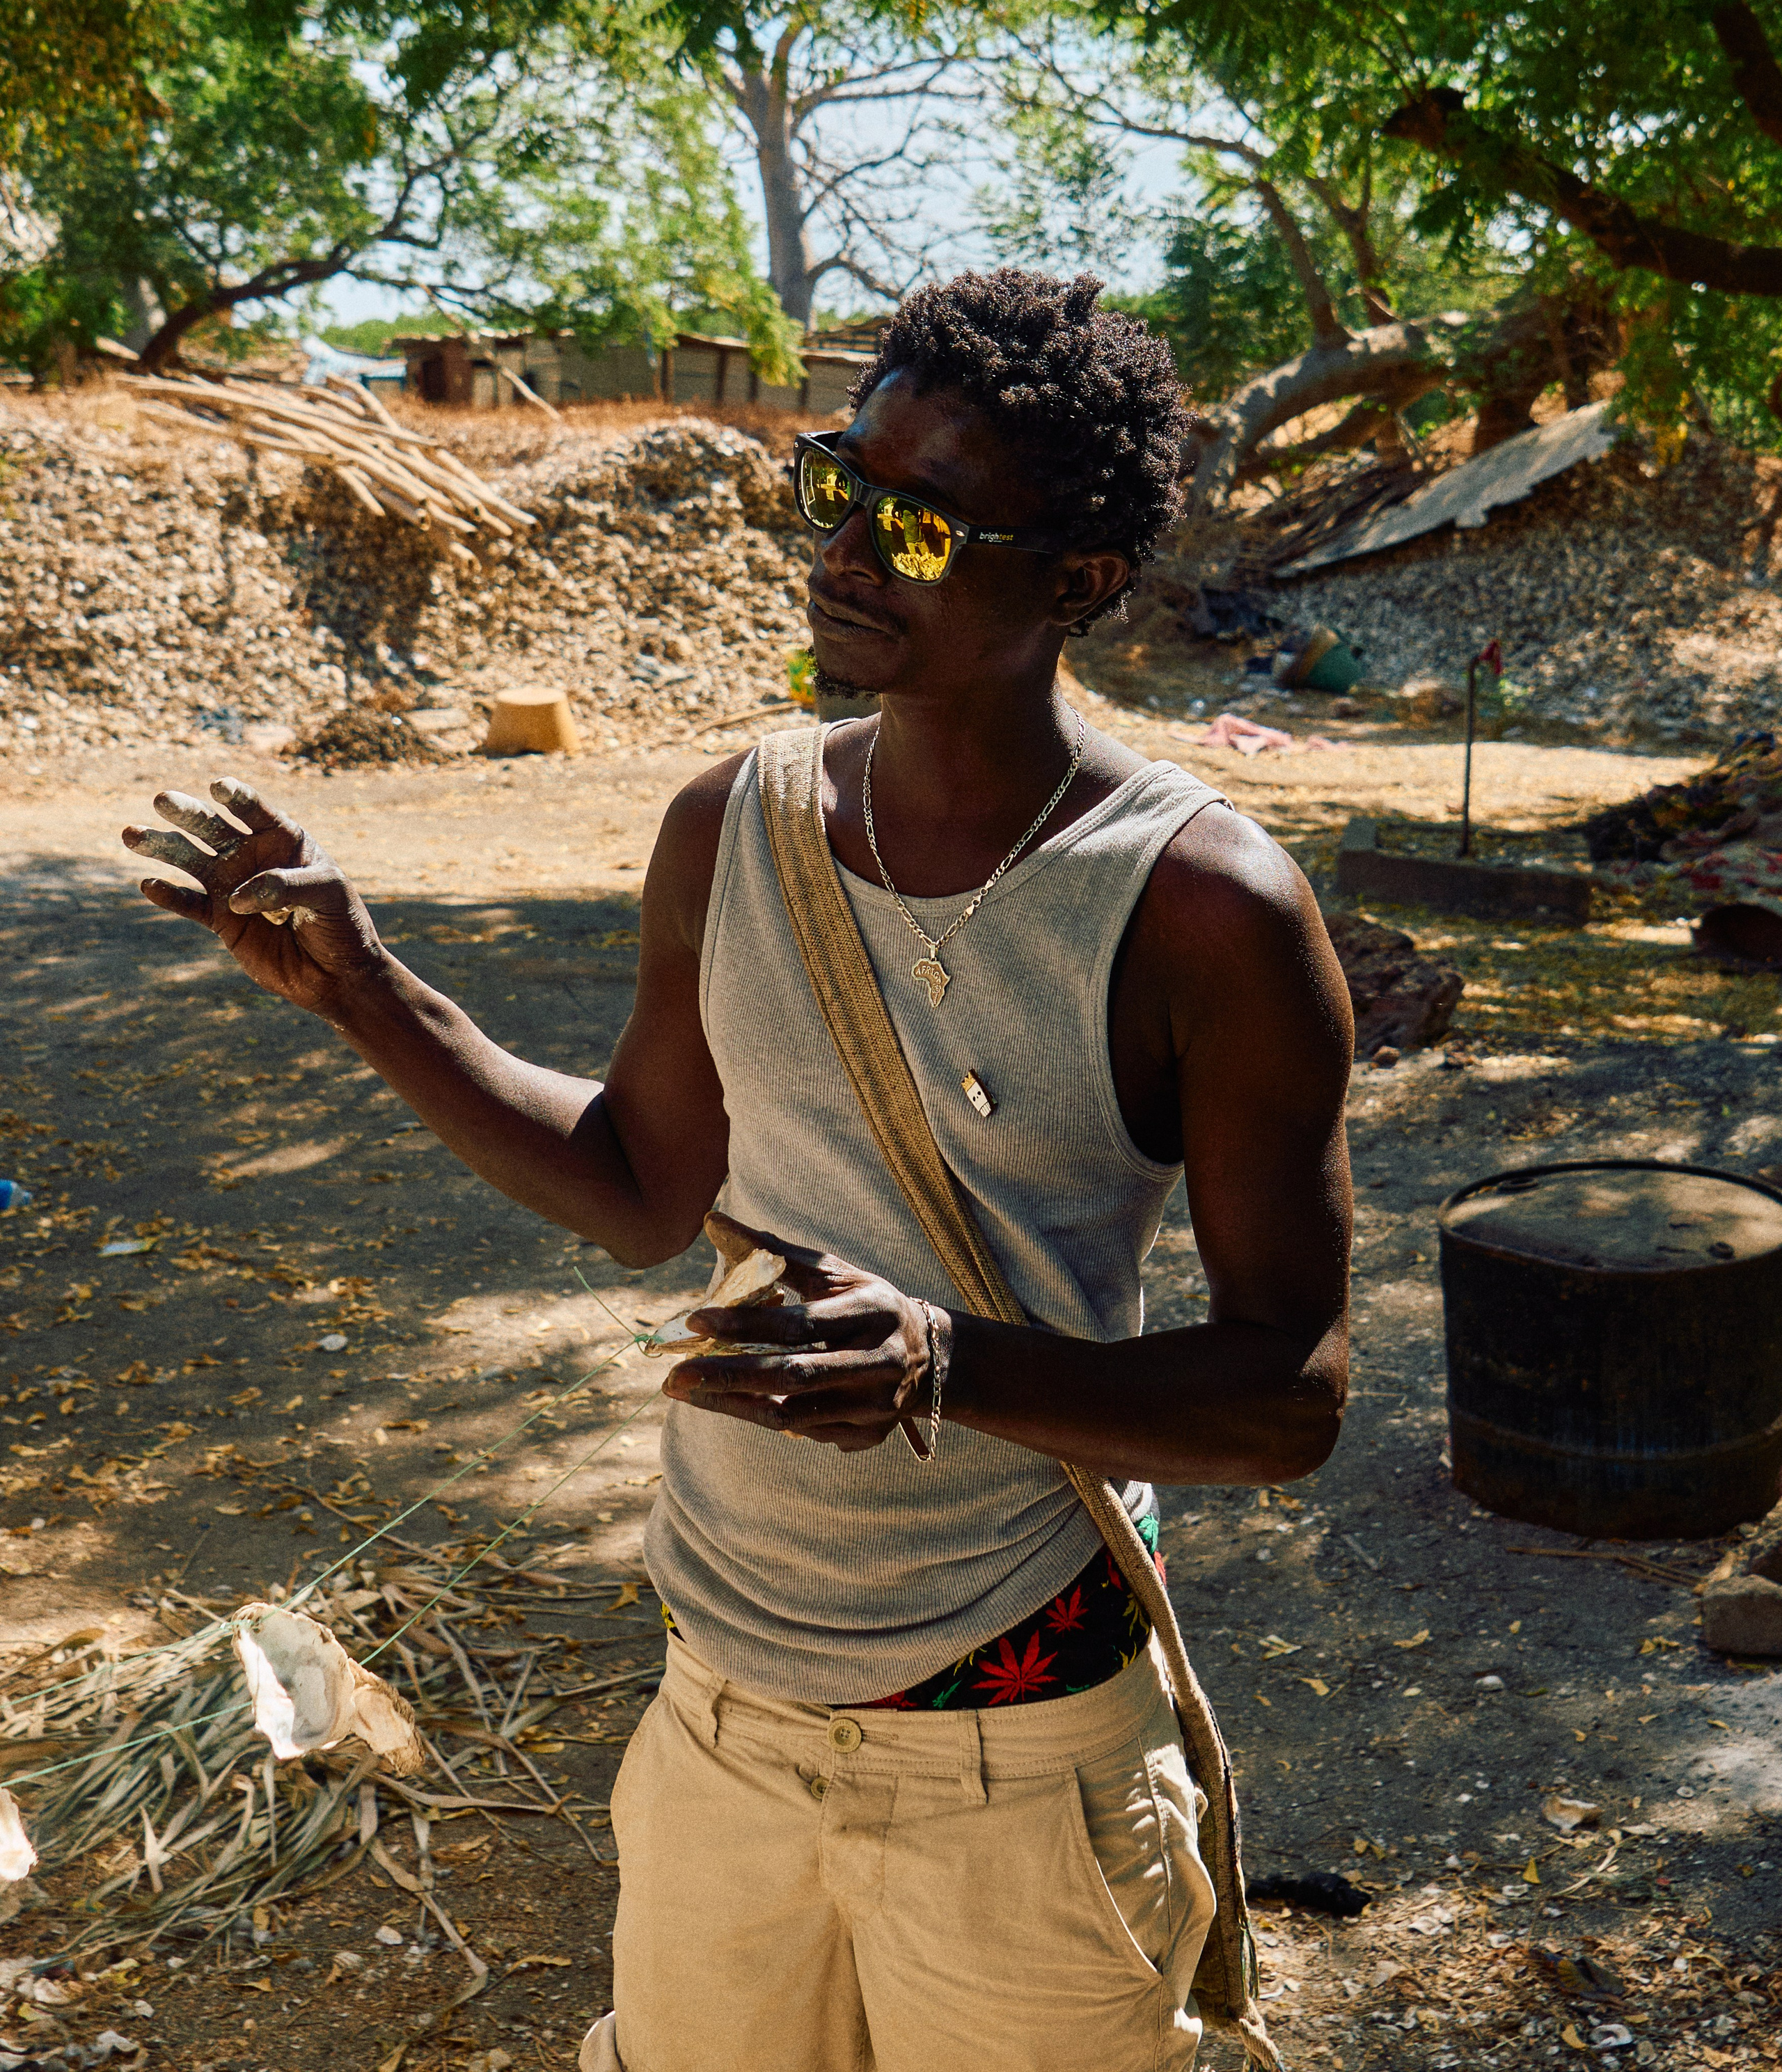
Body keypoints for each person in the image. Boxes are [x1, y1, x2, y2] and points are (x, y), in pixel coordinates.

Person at [123, 269, 1352, 2072]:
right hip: (724, 1711)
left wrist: (950, 1366)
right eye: (835, 483)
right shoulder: (734, 825)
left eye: (921, 521)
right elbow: (640, 1183)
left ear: (1079, 579)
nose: (849, 546)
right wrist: (365, 988)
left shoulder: (1205, 910)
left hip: (1023, 1740)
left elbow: (1292, 1394)